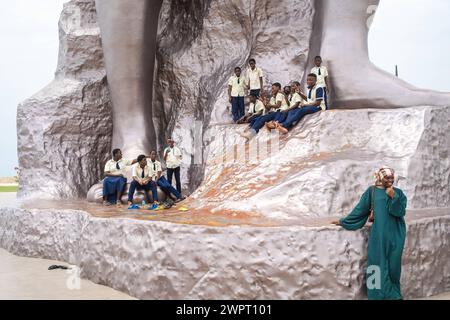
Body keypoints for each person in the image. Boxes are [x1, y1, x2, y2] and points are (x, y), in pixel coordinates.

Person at [331, 167, 408, 300]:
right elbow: (361, 209)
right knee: (376, 264)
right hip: (378, 234)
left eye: (392, 177)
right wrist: (344, 221)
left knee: (393, 266)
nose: (390, 180)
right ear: (379, 177)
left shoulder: (398, 193)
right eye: (387, 178)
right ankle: (375, 295)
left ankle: (394, 294)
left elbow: (400, 212)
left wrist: (393, 197)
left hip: (396, 233)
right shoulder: (371, 191)